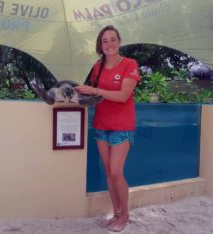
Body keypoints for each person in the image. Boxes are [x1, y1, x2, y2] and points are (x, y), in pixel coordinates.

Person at [75, 25, 140, 232]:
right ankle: (116, 214)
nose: (109, 44)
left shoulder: (130, 64)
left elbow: (122, 96)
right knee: (108, 173)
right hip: (101, 125)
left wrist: (93, 89)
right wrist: (74, 94)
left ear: (119, 42)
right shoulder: (97, 67)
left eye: (113, 39)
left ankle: (125, 215)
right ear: (100, 46)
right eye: (105, 41)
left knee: (115, 171)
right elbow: (96, 97)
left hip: (122, 126)